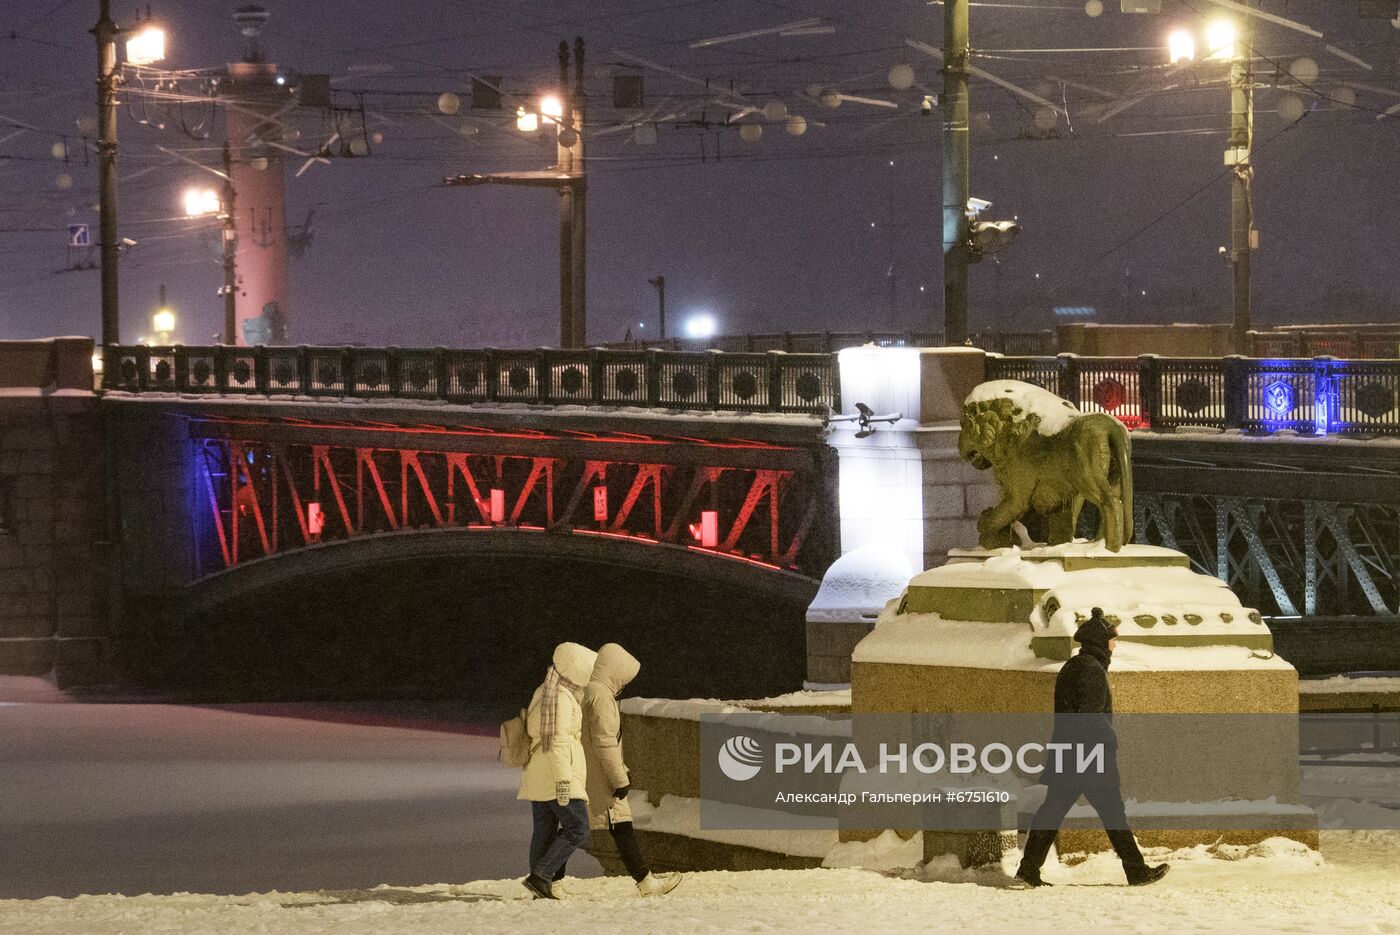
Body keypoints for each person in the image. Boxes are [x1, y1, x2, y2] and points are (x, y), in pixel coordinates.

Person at [1015, 608, 1170, 888]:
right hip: (1088, 757)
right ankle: (1136, 871)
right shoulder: (1091, 669)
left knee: (1052, 811)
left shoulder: (1077, 666)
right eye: (1111, 639)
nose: (1114, 644)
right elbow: (1089, 718)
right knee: (1111, 814)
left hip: (1072, 754)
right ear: (1100, 642)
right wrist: (1108, 742)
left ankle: (1028, 869)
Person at [581, 643, 682, 897]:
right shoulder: (601, 696)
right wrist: (619, 778)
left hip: (592, 774)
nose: (625, 684)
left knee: (574, 827)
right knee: (617, 826)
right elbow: (605, 741)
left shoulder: (592, 692)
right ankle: (646, 882)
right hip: (602, 779)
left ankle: (548, 878)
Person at [518, 641, 598, 900]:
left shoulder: (546, 690)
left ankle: (544, 886)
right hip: (556, 774)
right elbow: (558, 742)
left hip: (540, 774)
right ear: (577, 669)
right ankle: (541, 876)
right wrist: (564, 781)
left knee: (544, 831)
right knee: (578, 827)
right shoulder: (561, 697)